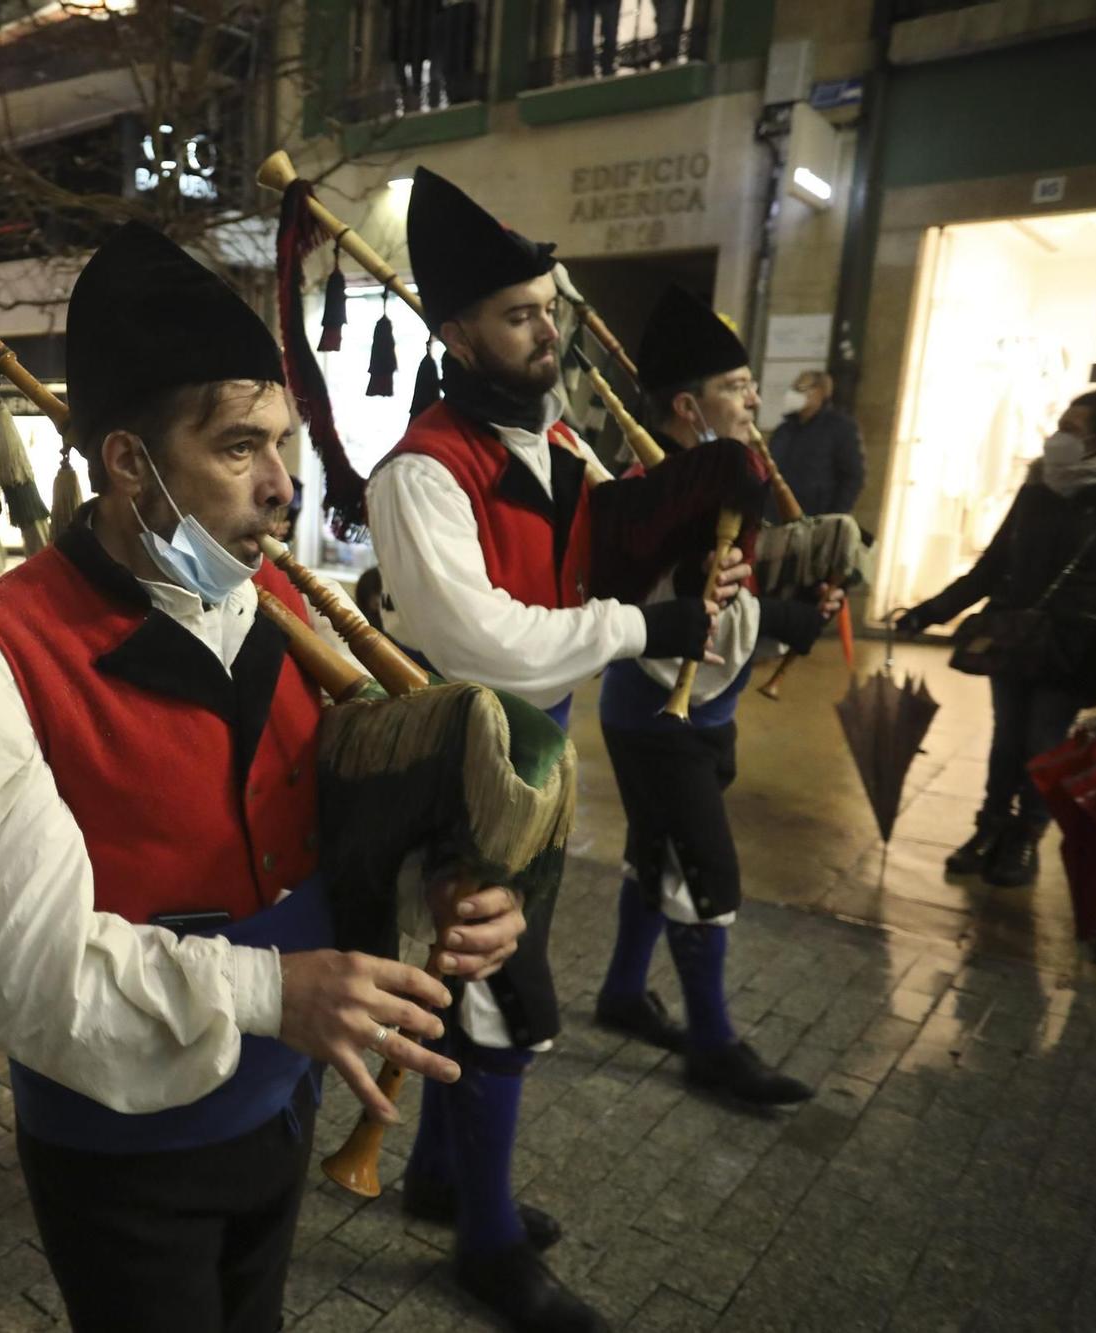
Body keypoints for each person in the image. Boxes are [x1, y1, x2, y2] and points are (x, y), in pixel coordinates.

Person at [0, 219, 526, 1333]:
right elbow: (13, 967)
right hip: (126, 1145)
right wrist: (272, 991)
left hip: (279, 1102)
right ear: (127, 461)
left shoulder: (267, 608)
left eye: (282, 443)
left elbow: (317, 832)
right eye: (239, 448)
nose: (283, 486)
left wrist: (442, 880)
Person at [365, 169, 736, 1333]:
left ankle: (438, 1175)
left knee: (471, 980)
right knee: (499, 997)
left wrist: (692, 542)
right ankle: (483, 1243)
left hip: (536, 753)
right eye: (518, 315)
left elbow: (602, 550)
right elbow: (482, 641)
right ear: (454, 330)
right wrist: (640, 626)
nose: (544, 332)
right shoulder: (422, 469)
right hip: (457, 758)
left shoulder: (555, 440)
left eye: (548, 310)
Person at [593, 285, 838, 1116]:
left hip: (700, 711)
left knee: (656, 854)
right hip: (658, 709)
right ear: (689, 406)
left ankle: (625, 993)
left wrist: (798, 604)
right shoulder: (656, 487)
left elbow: (729, 608)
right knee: (705, 869)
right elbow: (683, 617)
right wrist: (787, 618)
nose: (757, 398)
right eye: (737, 387)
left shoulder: (711, 477)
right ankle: (713, 1044)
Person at [898, 390, 1096, 888]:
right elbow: (993, 566)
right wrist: (929, 612)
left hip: (1071, 649)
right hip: (1015, 637)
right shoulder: (1038, 487)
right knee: (1007, 739)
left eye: (1073, 428)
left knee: (1044, 742)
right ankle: (990, 827)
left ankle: (1026, 837)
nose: (1058, 436)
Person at [765, 368, 865, 521]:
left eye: (800, 389)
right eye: (793, 388)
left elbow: (852, 476)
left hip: (815, 519)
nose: (794, 394)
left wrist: (834, 517)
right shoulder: (784, 430)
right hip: (777, 518)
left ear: (819, 392)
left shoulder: (840, 428)